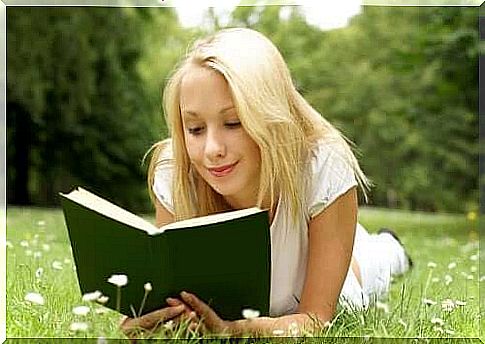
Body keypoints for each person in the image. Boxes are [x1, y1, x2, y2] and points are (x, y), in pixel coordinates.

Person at [121, 27, 412, 337]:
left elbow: (315, 320)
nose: (212, 150)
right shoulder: (175, 171)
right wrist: (147, 318)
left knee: (374, 263)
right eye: (195, 128)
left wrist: (236, 329)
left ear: (269, 116)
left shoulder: (322, 164)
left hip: (339, 280)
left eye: (233, 123)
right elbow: (173, 304)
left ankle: (391, 247)